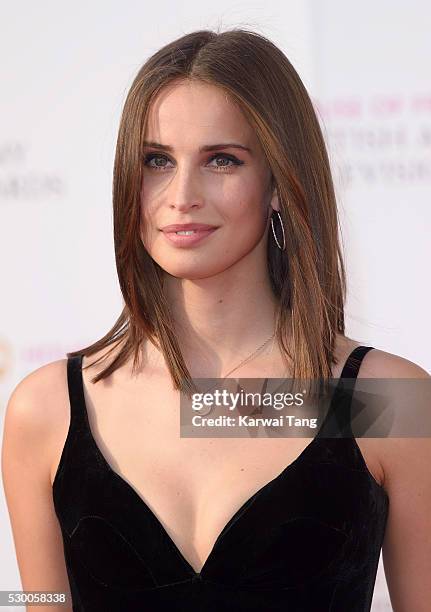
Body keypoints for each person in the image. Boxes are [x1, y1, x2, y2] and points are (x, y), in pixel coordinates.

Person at [2, 28, 430, 612]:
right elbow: (42, 601)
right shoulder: (47, 410)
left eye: (221, 160)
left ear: (279, 182)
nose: (181, 195)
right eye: (157, 161)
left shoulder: (385, 401)